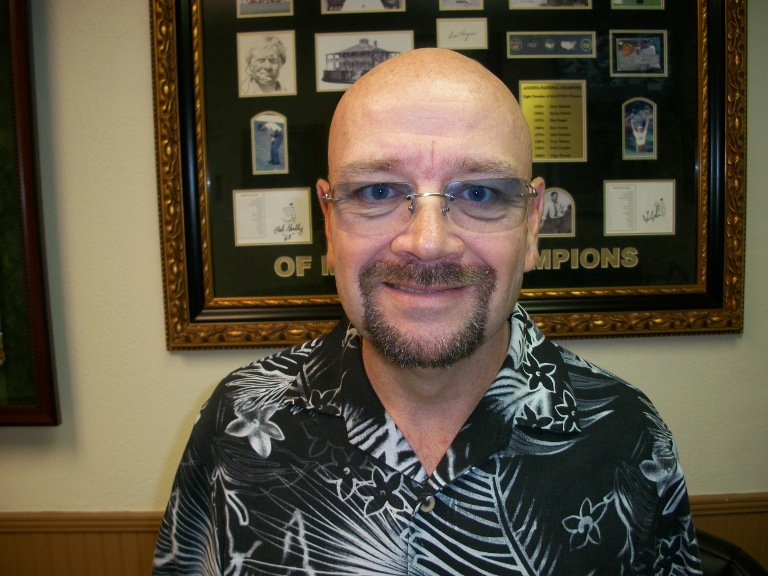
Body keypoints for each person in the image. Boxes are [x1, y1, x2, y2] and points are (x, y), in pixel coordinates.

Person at [154, 48, 701, 575]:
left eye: (480, 194)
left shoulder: (627, 435)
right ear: (329, 225)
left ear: (533, 224)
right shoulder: (236, 423)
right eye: (377, 191)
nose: (428, 243)